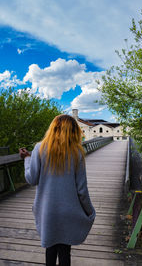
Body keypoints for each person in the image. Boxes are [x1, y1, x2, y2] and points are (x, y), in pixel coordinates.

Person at [19, 114, 96, 266]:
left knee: (50, 249)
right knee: (65, 251)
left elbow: (31, 179)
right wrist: (90, 211)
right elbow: (81, 190)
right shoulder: (77, 152)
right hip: (68, 211)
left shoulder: (39, 149)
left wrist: (27, 159)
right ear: (73, 131)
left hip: (47, 211)